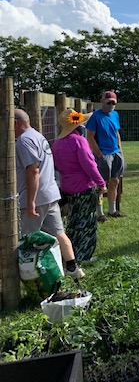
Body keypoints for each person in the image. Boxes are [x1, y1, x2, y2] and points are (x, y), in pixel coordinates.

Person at [14, 108, 86, 279]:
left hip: (35, 199)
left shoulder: (23, 141)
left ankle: (29, 277)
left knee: (25, 240)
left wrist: (30, 202)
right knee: (58, 233)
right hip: (50, 194)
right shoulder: (38, 136)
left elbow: (33, 171)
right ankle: (73, 268)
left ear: (15, 123)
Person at [52, 109, 107, 262]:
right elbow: (89, 165)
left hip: (67, 186)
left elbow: (56, 165)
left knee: (73, 220)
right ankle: (84, 255)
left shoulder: (57, 143)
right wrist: (101, 183)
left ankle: (70, 252)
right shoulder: (79, 141)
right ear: (79, 126)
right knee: (86, 222)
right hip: (83, 187)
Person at [86, 90, 126, 220]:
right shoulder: (95, 116)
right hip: (103, 153)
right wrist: (99, 154)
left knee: (115, 181)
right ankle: (100, 213)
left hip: (116, 153)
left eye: (113, 102)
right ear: (102, 102)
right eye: (108, 102)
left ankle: (112, 210)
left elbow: (116, 132)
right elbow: (90, 136)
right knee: (101, 184)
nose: (111, 105)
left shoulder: (115, 115)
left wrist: (119, 148)